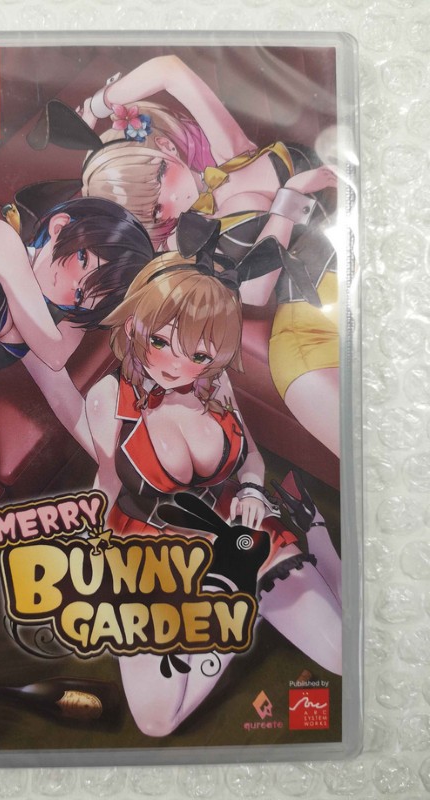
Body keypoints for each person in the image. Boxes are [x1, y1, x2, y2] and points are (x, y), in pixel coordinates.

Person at [86, 249, 342, 736]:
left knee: (342, 656)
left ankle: (313, 529)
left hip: (238, 527)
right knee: (157, 720)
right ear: (136, 322)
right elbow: (108, 483)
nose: (176, 365)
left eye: (199, 354)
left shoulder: (213, 382)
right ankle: (243, 606)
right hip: (155, 548)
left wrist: (253, 490)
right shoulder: (106, 399)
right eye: (161, 341)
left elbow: (251, 458)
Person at [31, 55, 340, 456]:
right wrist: (290, 198)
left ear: (165, 148)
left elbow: (170, 70)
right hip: (310, 311)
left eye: (159, 180)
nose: (170, 204)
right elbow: (255, 291)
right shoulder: (189, 240)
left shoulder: (233, 151)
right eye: (153, 214)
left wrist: (96, 105)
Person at [0, 193, 154, 590]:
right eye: (82, 262)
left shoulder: (39, 322)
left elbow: (63, 399)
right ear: (60, 227)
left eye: (84, 296)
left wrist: (119, 466)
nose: (71, 288)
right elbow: (54, 353)